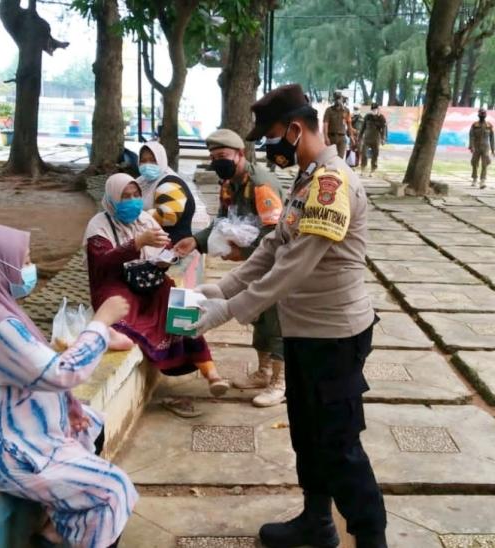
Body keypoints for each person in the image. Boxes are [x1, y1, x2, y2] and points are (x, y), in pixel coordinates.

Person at [193, 84, 387, 548]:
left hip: (335, 336)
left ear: (296, 130)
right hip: (304, 332)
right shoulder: (306, 177)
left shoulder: (331, 183)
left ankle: (371, 540)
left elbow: (297, 264)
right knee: (306, 432)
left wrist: (230, 312)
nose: (267, 146)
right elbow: (272, 247)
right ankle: (317, 522)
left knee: (340, 445)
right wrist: (219, 289)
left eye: (272, 136)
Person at [0, 224, 137, 548]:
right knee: (112, 490)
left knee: (90, 425)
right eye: (23, 261)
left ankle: (60, 522)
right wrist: (100, 324)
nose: (29, 269)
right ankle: (59, 537)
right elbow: (60, 373)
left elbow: (31, 365)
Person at [84, 173, 229, 417]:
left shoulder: (145, 219)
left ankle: (211, 372)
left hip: (148, 280)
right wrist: (136, 243)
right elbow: (102, 263)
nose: (131, 201)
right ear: (111, 199)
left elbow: (161, 254)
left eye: (135, 196)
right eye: (124, 197)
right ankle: (112, 333)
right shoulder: (99, 225)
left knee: (181, 305)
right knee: (121, 311)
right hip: (115, 283)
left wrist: (168, 257)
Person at [174, 129, 286, 407]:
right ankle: (263, 372)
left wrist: (242, 251)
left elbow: (277, 232)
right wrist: (197, 242)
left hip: (280, 262)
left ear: (241, 154)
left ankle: (279, 382)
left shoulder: (261, 184)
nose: (217, 162)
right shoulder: (229, 182)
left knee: (275, 320)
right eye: (213, 157)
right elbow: (221, 220)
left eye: (222, 156)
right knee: (258, 315)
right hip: (257, 261)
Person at [136, 141, 196, 244]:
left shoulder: (170, 183)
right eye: (143, 161)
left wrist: (134, 215)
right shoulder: (142, 181)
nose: (147, 165)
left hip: (173, 244)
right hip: (151, 240)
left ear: (161, 160)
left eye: (153, 160)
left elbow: (168, 217)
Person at [469, 107, 495, 189]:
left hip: (485, 147)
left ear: (486, 115)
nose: (482, 115)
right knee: (474, 163)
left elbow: (492, 138)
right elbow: (471, 136)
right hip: (476, 147)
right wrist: (471, 146)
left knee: (485, 164)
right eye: (481, 113)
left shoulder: (489, 125)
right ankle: (474, 178)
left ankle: (482, 180)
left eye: (484, 114)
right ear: (478, 115)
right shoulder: (474, 125)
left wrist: (493, 149)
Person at [360, 102, 387, 178]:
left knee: (375, 155)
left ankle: (372, 170)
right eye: (372, 109)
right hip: (367, 138)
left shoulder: (381, 118)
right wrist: (360, 136)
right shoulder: (368, 116)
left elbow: (384, 129)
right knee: (364, 154)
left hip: (376, 139)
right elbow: (363, 127)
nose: (374, 111)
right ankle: (363, 168)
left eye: (375, 109)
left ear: (378, 109)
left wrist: (383, 138)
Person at [323, 90, 351, 158]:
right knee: (331, 158)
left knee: (340, 158)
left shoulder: (346, 111)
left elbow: (349, 124)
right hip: (331, 137)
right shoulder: (329, 110)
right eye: (336, 98)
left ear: (342, 99)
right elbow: (325, 124)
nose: (338, 100)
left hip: (342, 138)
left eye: (339, 98)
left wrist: (351, 137)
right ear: (334, 99)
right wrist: (326, 137)